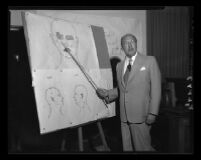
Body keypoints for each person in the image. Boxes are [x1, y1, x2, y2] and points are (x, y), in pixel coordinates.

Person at [96, 33, 161, 152]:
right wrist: (107, 93)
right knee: (127, 148)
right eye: (126, 43)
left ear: (136, 44)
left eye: (132, 42)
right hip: (124, 116)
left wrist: (153, 113)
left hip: (141, 115)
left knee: (143, 148)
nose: (130, 45)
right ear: (122, 48)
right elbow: (124, 89)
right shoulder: (119, 66)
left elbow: (156, 88)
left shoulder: (149, 61)